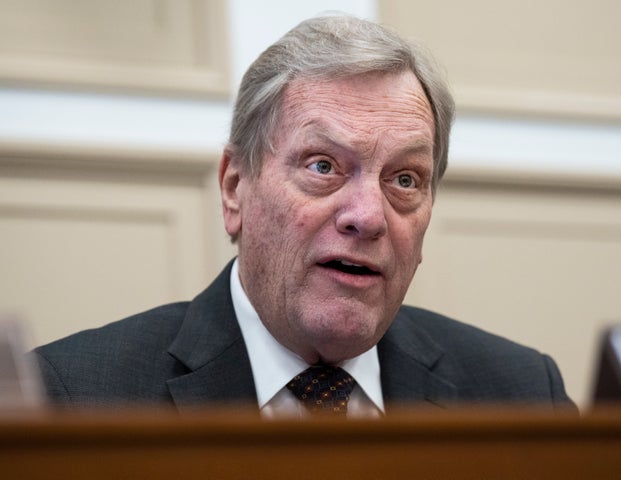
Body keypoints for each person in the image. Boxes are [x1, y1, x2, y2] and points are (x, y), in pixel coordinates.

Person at [33, 15, 576, 417]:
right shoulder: (73, 398)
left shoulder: (523, 394)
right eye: (323, 166)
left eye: (404, 179)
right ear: (233, 188)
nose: (368, 217)